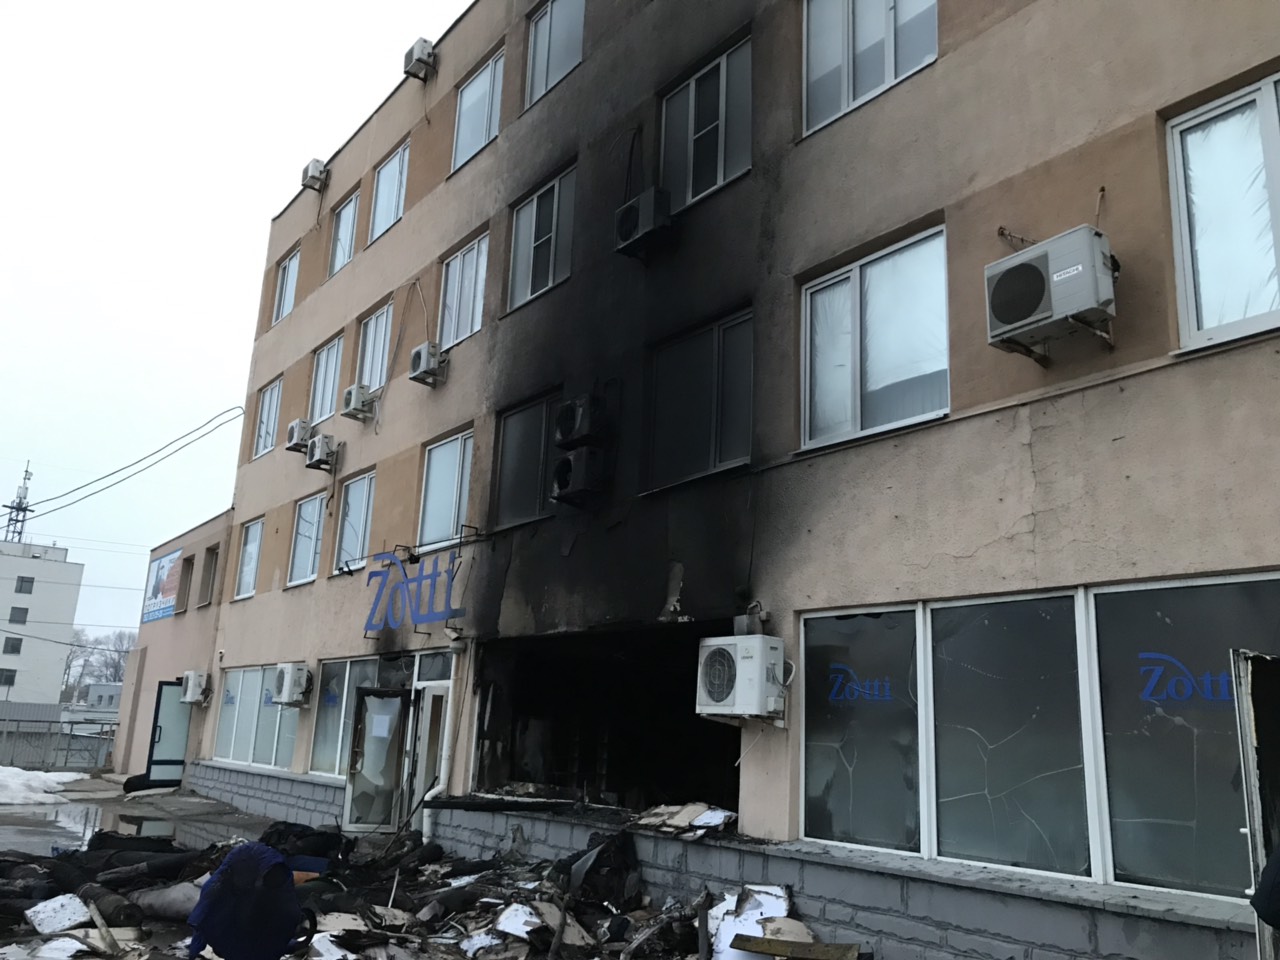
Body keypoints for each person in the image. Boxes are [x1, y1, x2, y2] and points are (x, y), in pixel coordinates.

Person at [188, 842, 315, 960]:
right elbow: (203, 918)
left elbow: (288, 910)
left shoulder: (274, 887)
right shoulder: (220, 889)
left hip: (261, 943)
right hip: (239, 944)